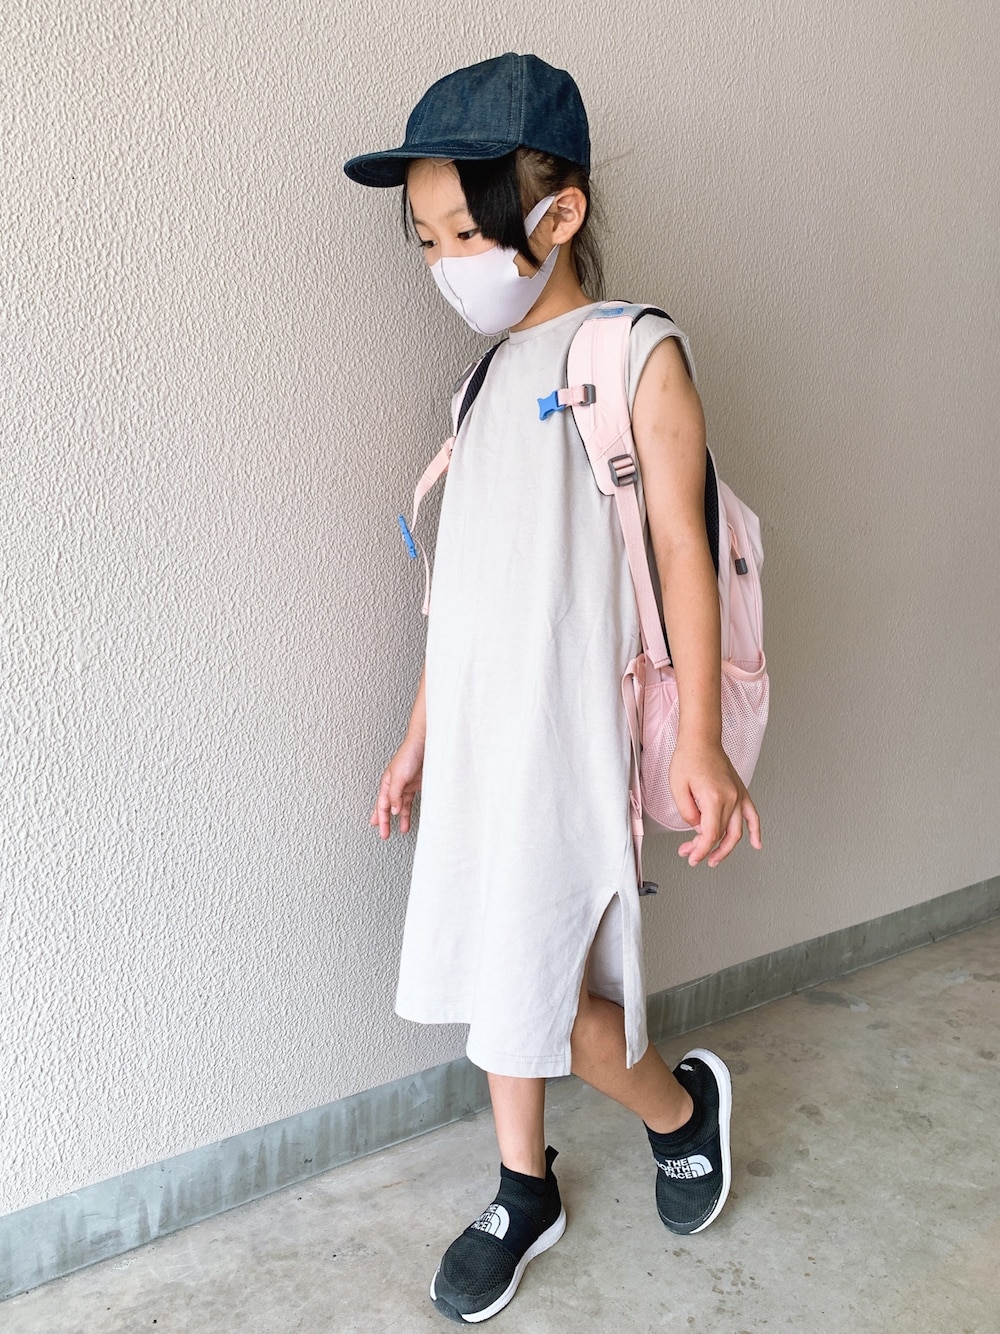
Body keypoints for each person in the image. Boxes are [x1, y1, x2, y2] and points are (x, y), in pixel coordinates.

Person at [344, 53, 762, 1325]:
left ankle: (679, 1109)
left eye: (465, 233)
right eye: (426, 240)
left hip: (565, 734)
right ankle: (522, 1185)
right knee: (487, 968)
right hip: (479, 737)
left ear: (559, 213)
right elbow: (458, 594)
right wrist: (417, 737)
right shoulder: (476, 387)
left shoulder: (633, 352)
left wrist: (701, 737)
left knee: (536, 982)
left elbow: (684, 551)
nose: (445, 263)